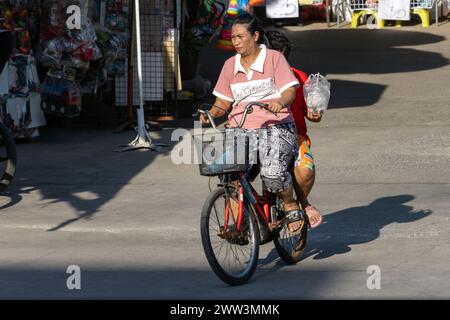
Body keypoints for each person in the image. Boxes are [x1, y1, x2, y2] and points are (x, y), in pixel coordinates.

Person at [199, 14, 305, 234]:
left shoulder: (274, 58)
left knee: (273, 173)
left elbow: (289, 91)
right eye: (233, 37)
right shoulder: (230, 65)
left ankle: (290, 204)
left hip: (276, 128)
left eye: (240, 37)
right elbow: (223, 102)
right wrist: (210, 112)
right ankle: (243, 223)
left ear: (255, 36)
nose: (235, 42)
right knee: (228, 175)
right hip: (240, 131)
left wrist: (280, 102)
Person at [265, 29, 323, 228]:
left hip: (295, 136)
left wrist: (316, 112)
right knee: (232, 175)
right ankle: (240, 222)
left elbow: (312, 114)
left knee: (306, 171)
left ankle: (300, 204)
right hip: (257, 135)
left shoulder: (299, 77)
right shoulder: (251, 79)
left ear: (280, 53)